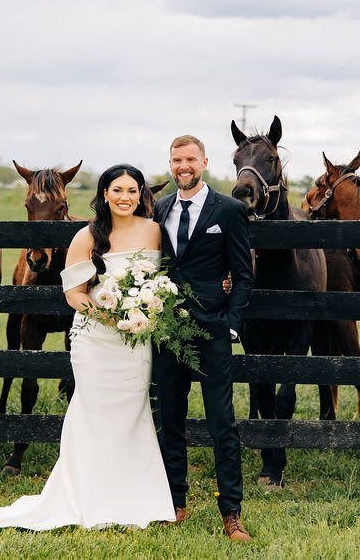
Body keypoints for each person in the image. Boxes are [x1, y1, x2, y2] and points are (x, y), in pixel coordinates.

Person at [0, 164, 175, 530]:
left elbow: (169, 277)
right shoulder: (87, 236)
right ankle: (85, 495)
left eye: (132, 190)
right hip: (97, 340)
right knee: (93, 413)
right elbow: (74, 294)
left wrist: (146, 308)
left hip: (136, 340)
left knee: (133, 414)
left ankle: (135, 497)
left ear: (141, 195)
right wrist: (110, 315)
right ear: (104, 195)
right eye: (117, 191)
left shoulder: (156, 233)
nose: (125, 198)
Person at [151, 134, 254, 542]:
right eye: (177, 160)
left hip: (212, 329)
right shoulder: (160, 209)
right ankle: (175, 501)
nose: (183, 166)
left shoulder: (228, 211)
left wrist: (231, 323)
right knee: (169, 420)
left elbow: (243, 274)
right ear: (171, 164)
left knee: (221, 423)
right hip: (168, 332)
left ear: (204, 162)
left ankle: (231, 513)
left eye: (190, 159)